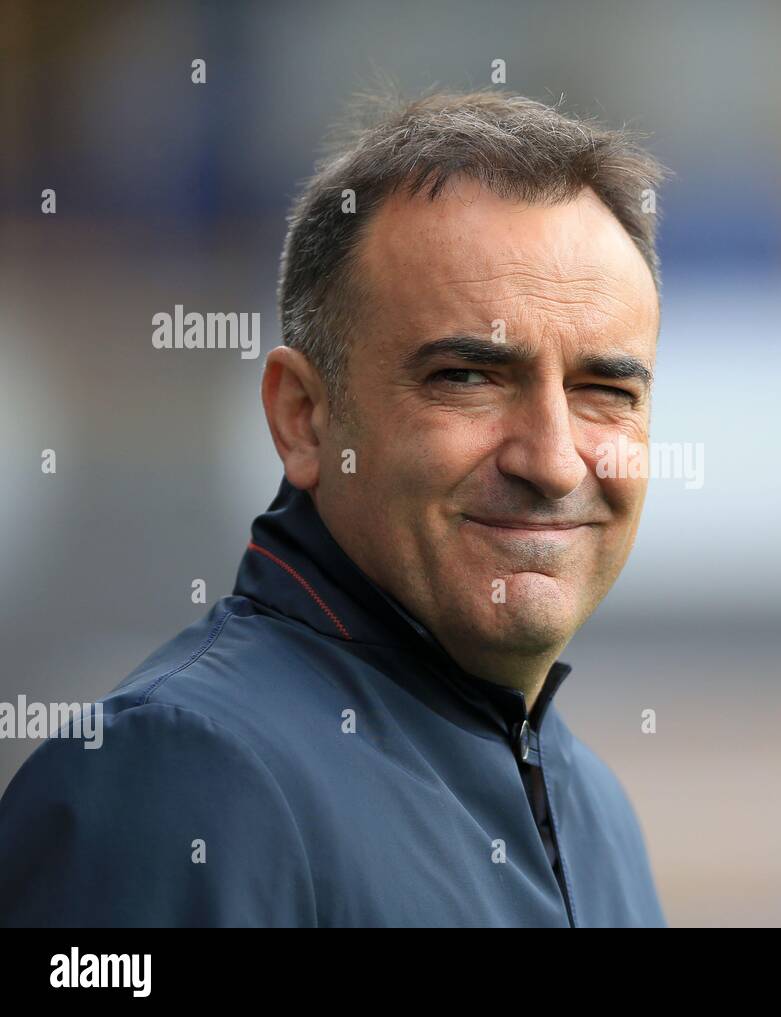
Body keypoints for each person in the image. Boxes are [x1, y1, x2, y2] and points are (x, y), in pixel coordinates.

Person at [0, 89, 669, 927]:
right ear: (303, 417)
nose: (553, 458)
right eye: (466, 378)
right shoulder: (180, 778)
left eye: (605, 390)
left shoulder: (594, 811)